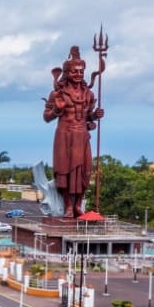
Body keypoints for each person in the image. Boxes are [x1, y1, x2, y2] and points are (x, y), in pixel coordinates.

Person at [43, 48, 103, 218]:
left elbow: (88, 116)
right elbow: (46, 117)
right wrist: (56, 109)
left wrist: (95, 115)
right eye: (74, 71)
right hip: (65, 135)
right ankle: (68, 205)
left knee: (84, 171)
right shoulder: (57, 93)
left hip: (82, 136)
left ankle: (78, 205)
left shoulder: (89, 94)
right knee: (65, 172)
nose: (78, 74)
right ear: (66, 73)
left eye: (81, 71)